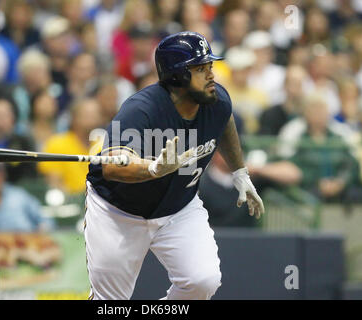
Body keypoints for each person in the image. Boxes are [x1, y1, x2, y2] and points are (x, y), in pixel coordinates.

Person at [84, 32, 264, 300]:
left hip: (178, 207)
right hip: (119, 212)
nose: (211, 75)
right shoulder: (141, 109)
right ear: (177, 76)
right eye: (201, 69)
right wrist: (153, 169)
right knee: (110, 302)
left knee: (202, 281)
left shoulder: (215, 99)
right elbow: (112, 166)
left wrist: (239, 172)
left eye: (210, 66)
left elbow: (224, 120)